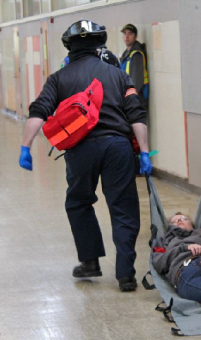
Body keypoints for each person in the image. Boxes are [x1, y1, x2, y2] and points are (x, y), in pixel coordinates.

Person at [18, 20, 153, 292]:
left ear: (70, 48)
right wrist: (146, 152)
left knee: (79, 202)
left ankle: (90, 262)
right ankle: (126, 274)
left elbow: (39, 111)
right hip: (118, 148)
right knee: (123, 207)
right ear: (99, 46)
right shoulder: (118, 75)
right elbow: (136, 115)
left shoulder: (59, 78)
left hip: (81, 150)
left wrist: (26, 146)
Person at [119, 24, 149, 107]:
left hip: (136, 100)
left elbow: (136, 82)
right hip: (130, 98)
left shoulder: (136, 55)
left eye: (130, 34)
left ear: (136, 37)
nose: (126, 37)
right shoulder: (126, 55)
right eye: (125, 34)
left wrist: (129, 99)